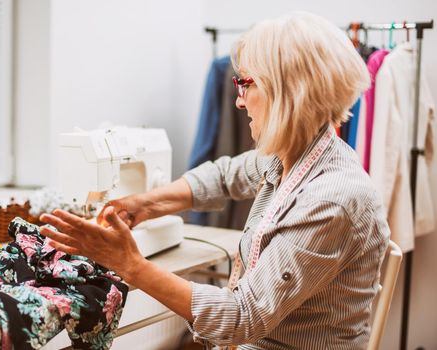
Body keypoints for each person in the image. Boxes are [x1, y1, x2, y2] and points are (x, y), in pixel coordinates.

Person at [39, 12, 390, 349]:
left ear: (287, 91)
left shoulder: (331, 198)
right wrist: (143, 204)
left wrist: (129, 263)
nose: (238, 100)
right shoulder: (291, 156)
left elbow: (242, 317)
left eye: (246, 84)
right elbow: (222, 177)